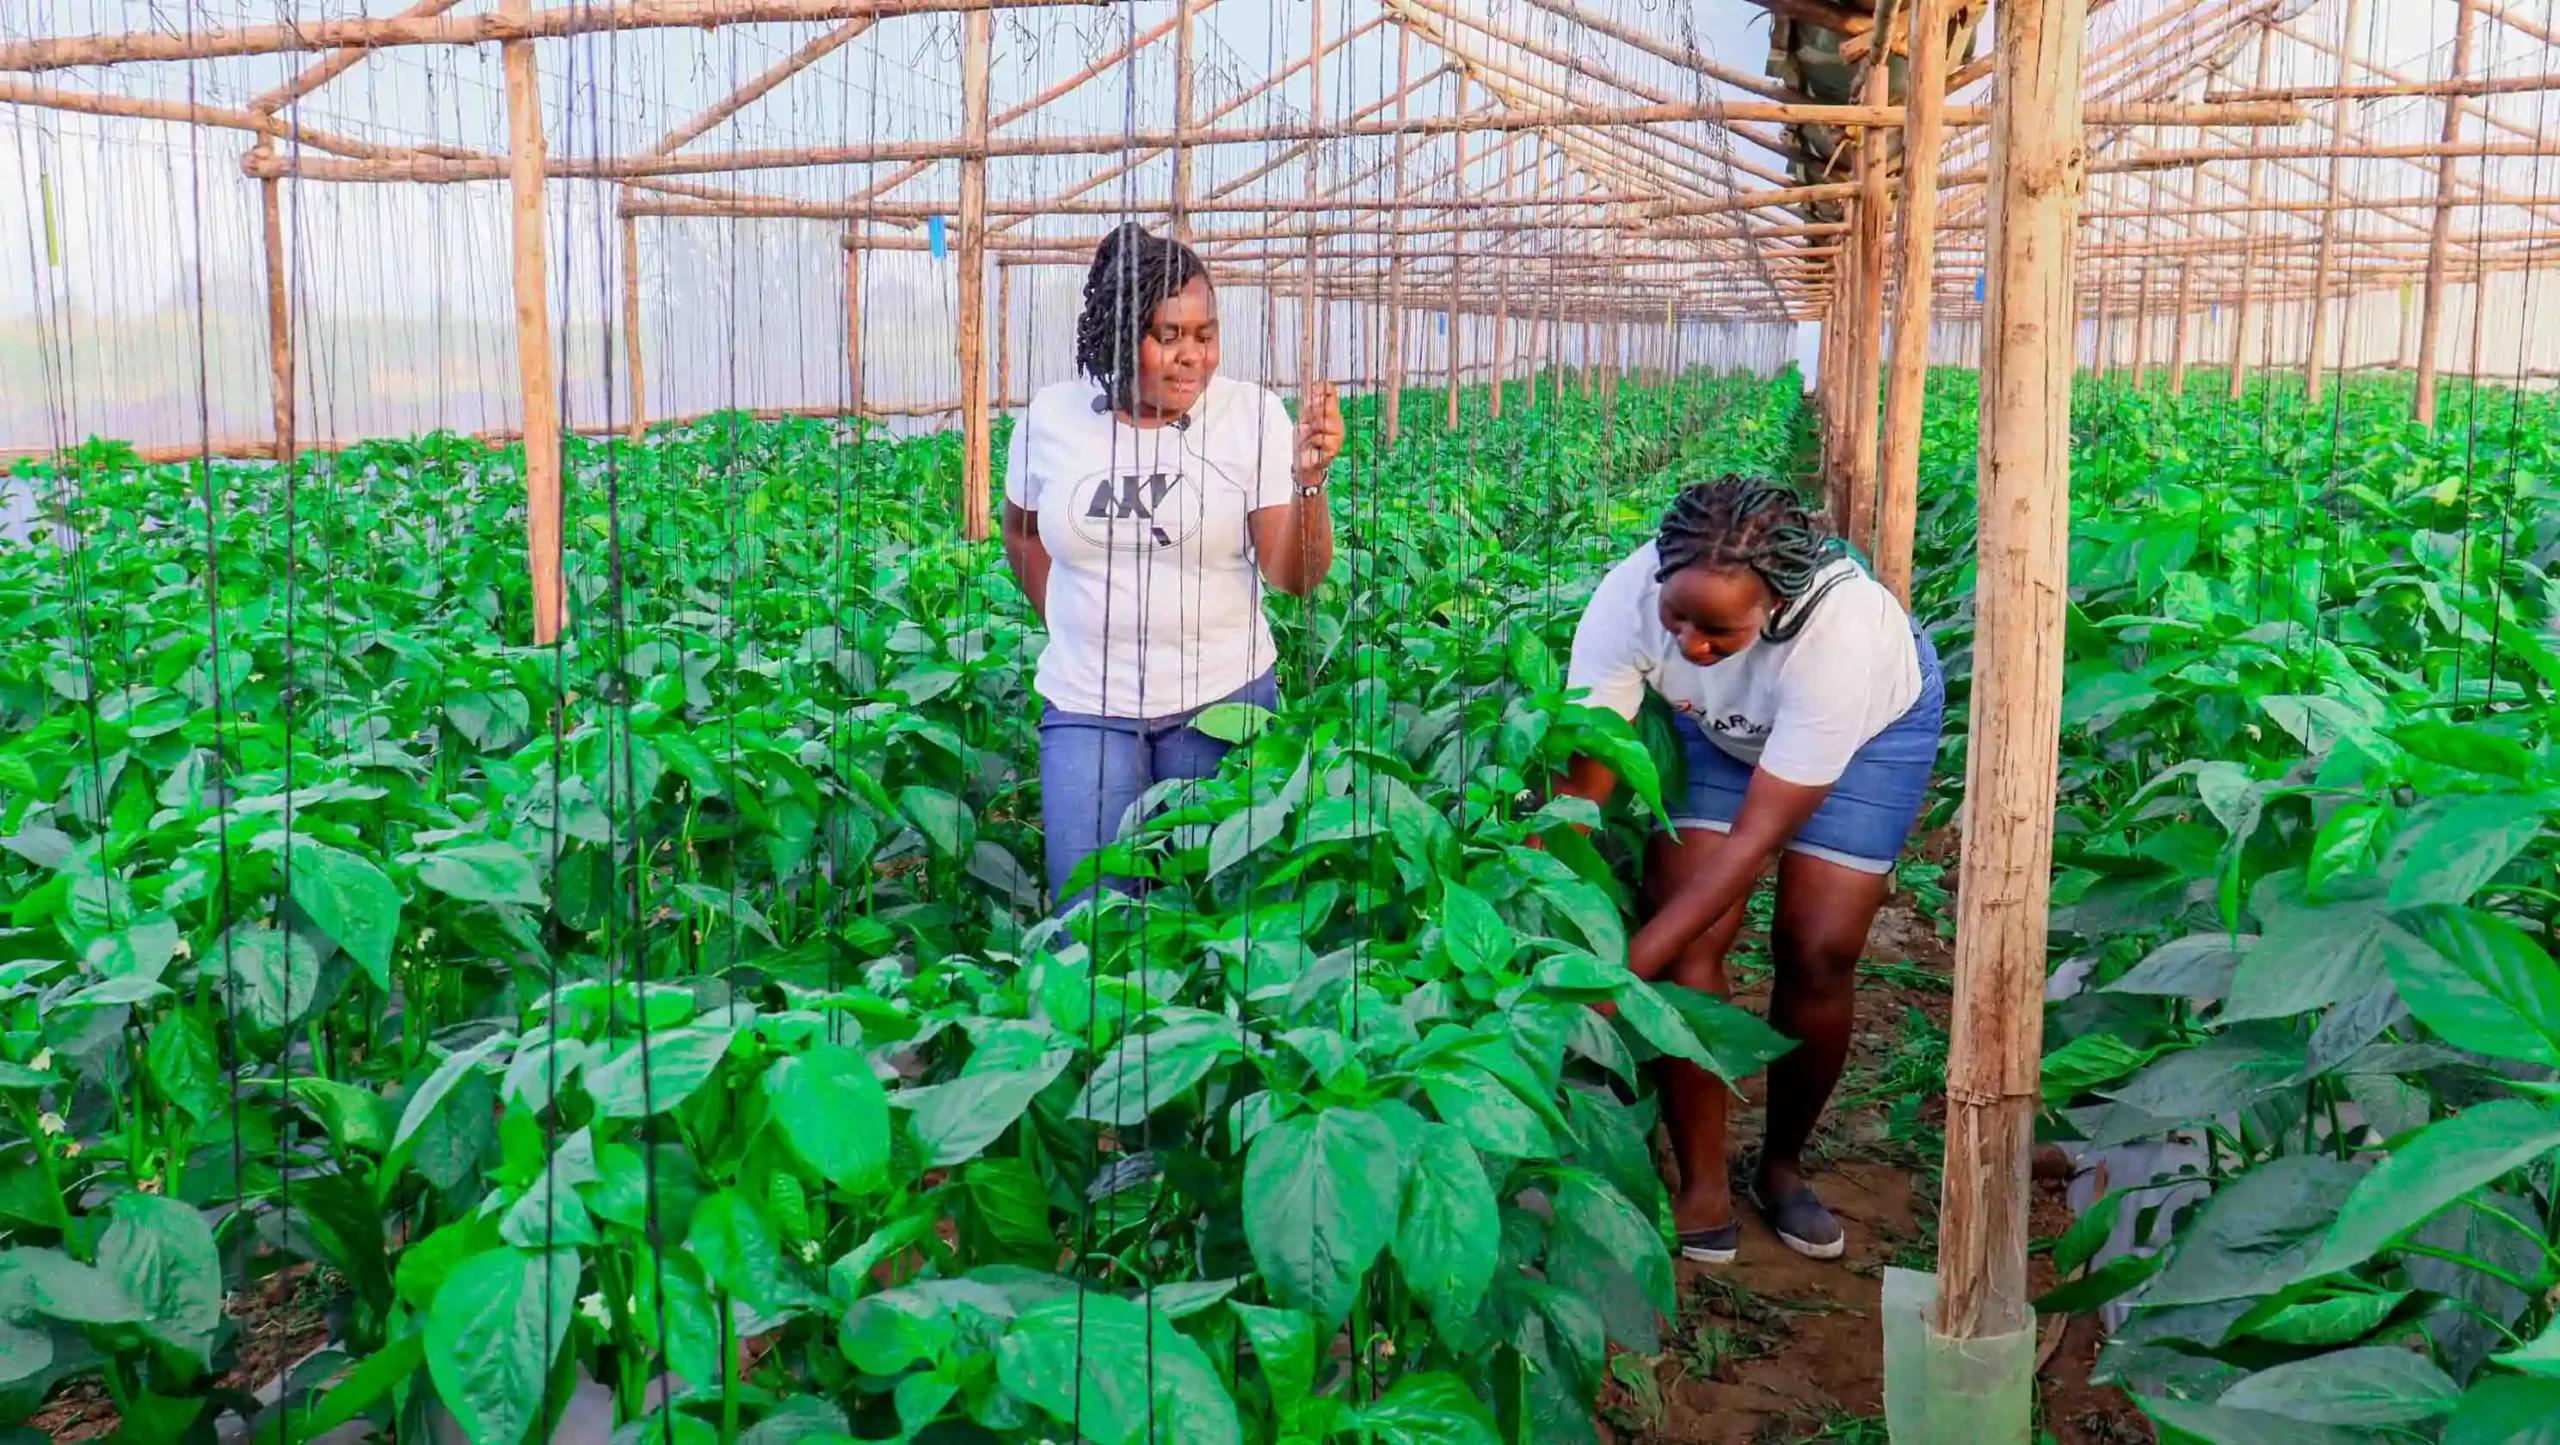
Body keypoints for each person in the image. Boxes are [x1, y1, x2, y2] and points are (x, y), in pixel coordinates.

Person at [1555, 476, 1944, 1264]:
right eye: (1678, 618)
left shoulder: (1839, 638)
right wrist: (1539, 887)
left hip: (1870, 735)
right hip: (1716, 730)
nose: (1691, 646)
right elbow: (1582, 783)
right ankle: (1702, 1183)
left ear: (1774, 604)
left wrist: (1618, 977)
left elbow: (1752, 843)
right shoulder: (1627, 601)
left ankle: (1782, 1164)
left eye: (1718, 632)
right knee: (1688, 935)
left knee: (1818, 945)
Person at [1001, 223, 1345, 905]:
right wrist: (1071, 626)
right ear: (1118, 335)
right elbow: (1021, 530)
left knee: (1212, 908)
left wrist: (1309, 482)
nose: (1193, 357)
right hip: (1087, 706)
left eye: (1205, 335)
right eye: (1169, 336)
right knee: (1088, 914)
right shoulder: (1053, 417)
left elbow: (1294, 577)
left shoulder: (1248, 416)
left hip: (1220, 703)